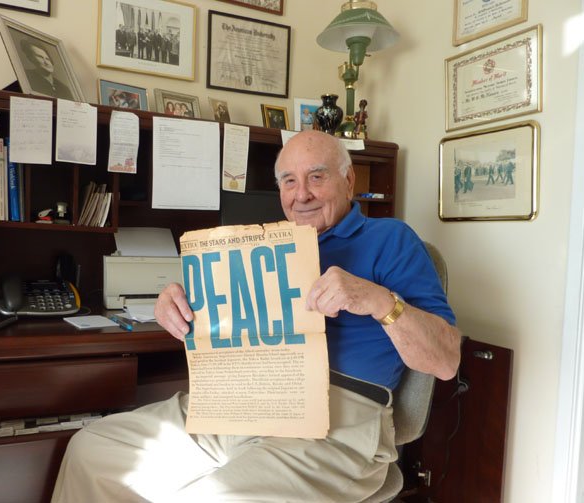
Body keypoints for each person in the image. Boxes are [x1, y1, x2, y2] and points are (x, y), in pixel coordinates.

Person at [51, 130, 461, 503]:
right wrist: (173, 306)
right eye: (289, 181)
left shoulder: (391, 239)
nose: (301, 195)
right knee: (91, 450)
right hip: (241, 402)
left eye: (317, 177)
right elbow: (208, 322)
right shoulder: (258, 244)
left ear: (348, 180)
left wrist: (377, 300)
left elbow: (445, 361)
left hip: (336, 420)